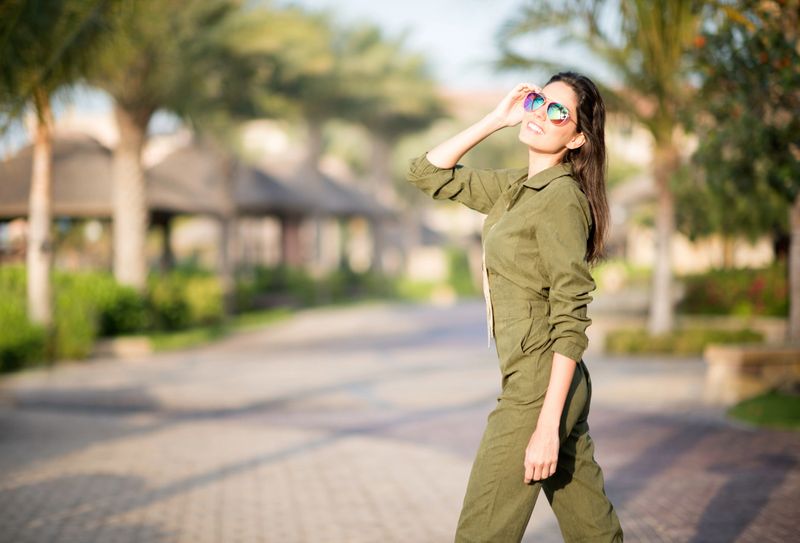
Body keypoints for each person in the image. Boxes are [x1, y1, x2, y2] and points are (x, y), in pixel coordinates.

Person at [406, 72, 623, 542]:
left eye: (558, 111)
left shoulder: (561, 199)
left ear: (578, 138)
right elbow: (426, 172)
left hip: (538, 385)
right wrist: (495, 119)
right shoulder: (516, 189)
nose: (543, 114)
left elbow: (571, 316)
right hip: (543, 382)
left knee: (481, 531)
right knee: (592, 530)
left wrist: (546, 424)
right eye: (539, 102)